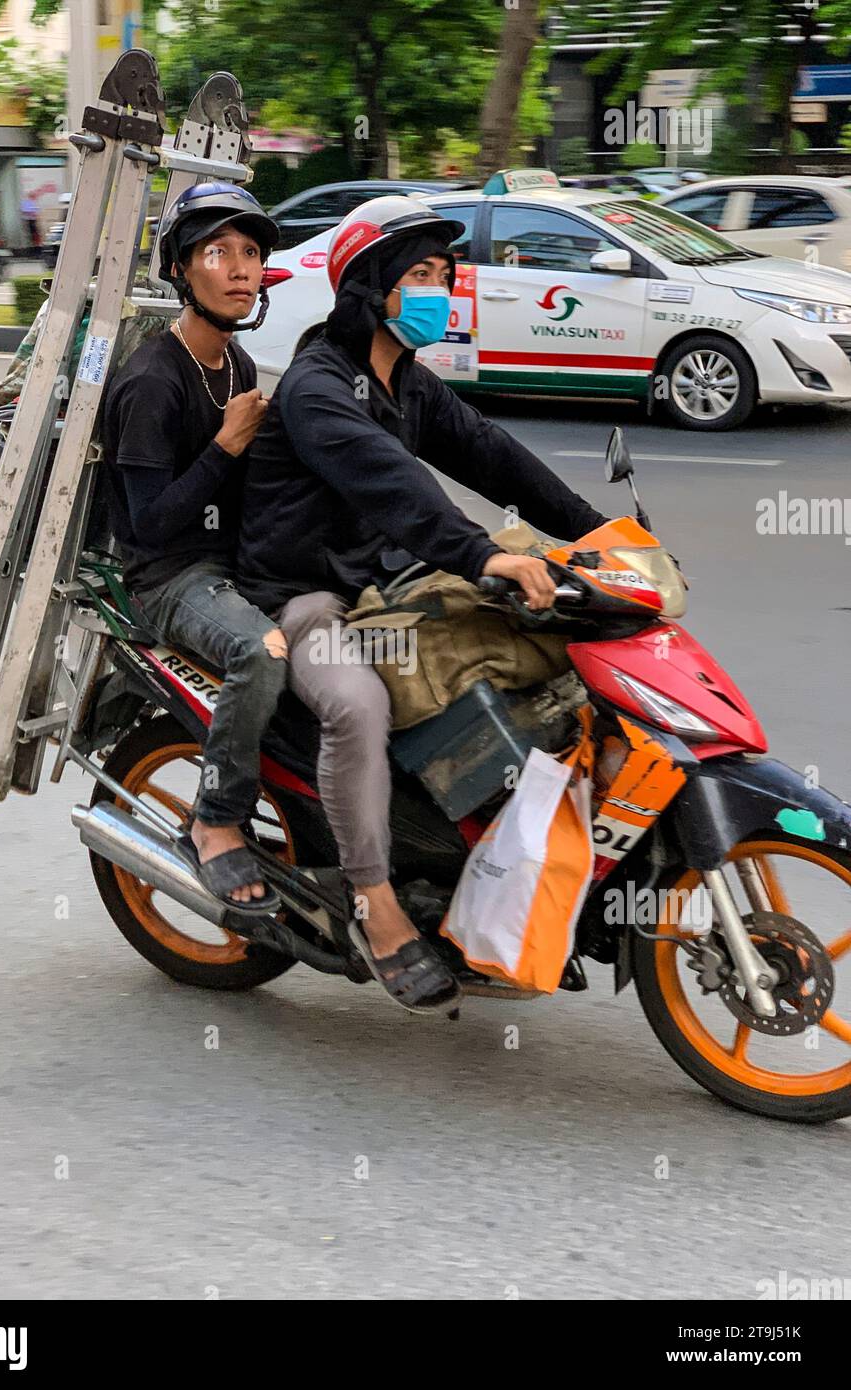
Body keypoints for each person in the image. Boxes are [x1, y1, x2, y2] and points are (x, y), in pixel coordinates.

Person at [237, 195, 610, 1011]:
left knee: (546, 642)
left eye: (445, 274)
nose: (440, 289)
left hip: (388, 584)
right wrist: (481, 555)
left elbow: (493, 456)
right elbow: (397, 487)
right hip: (305, 598)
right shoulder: (317, 387)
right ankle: (375, 904)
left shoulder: (404, 380)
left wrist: (599, 533)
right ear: (371, 287)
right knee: (357, 705)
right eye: (420, 275)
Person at [101, 182, 288, 913]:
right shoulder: (151, 381)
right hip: (167, 579)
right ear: (182, 270)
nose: (241, 269)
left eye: (250, 253)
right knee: (260, 650)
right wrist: (223, 445)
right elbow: (146, 527)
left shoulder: (236, 366)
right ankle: (213, 822)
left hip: (229, 560)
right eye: (219, 253)